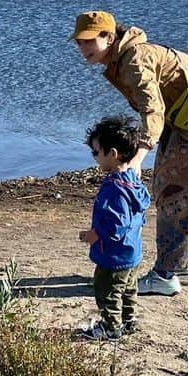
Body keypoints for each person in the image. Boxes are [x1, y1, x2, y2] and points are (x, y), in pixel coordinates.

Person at [71, 10, 188, 297]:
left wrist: (138, 157)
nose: (83, 48)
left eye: (89, 40)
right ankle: (182, 262)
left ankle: (166, 275)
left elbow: (152, 109)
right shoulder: (120, 58)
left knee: (173, 191)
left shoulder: (134, 60)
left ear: (109, 36)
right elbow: (152, 110)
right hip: (179, 118)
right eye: (78, 42)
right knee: (174, 188)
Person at [78, 115, 152, 341]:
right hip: (132, 251)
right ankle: (128, 321)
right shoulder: (132, 179)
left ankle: (111, 327)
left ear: (112, 154)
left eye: (96, 153)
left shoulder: (114, 187)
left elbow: (116, 224)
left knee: (107, 290)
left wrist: (94, 235)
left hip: (114, 254)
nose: (95, 158)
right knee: (128, 288)